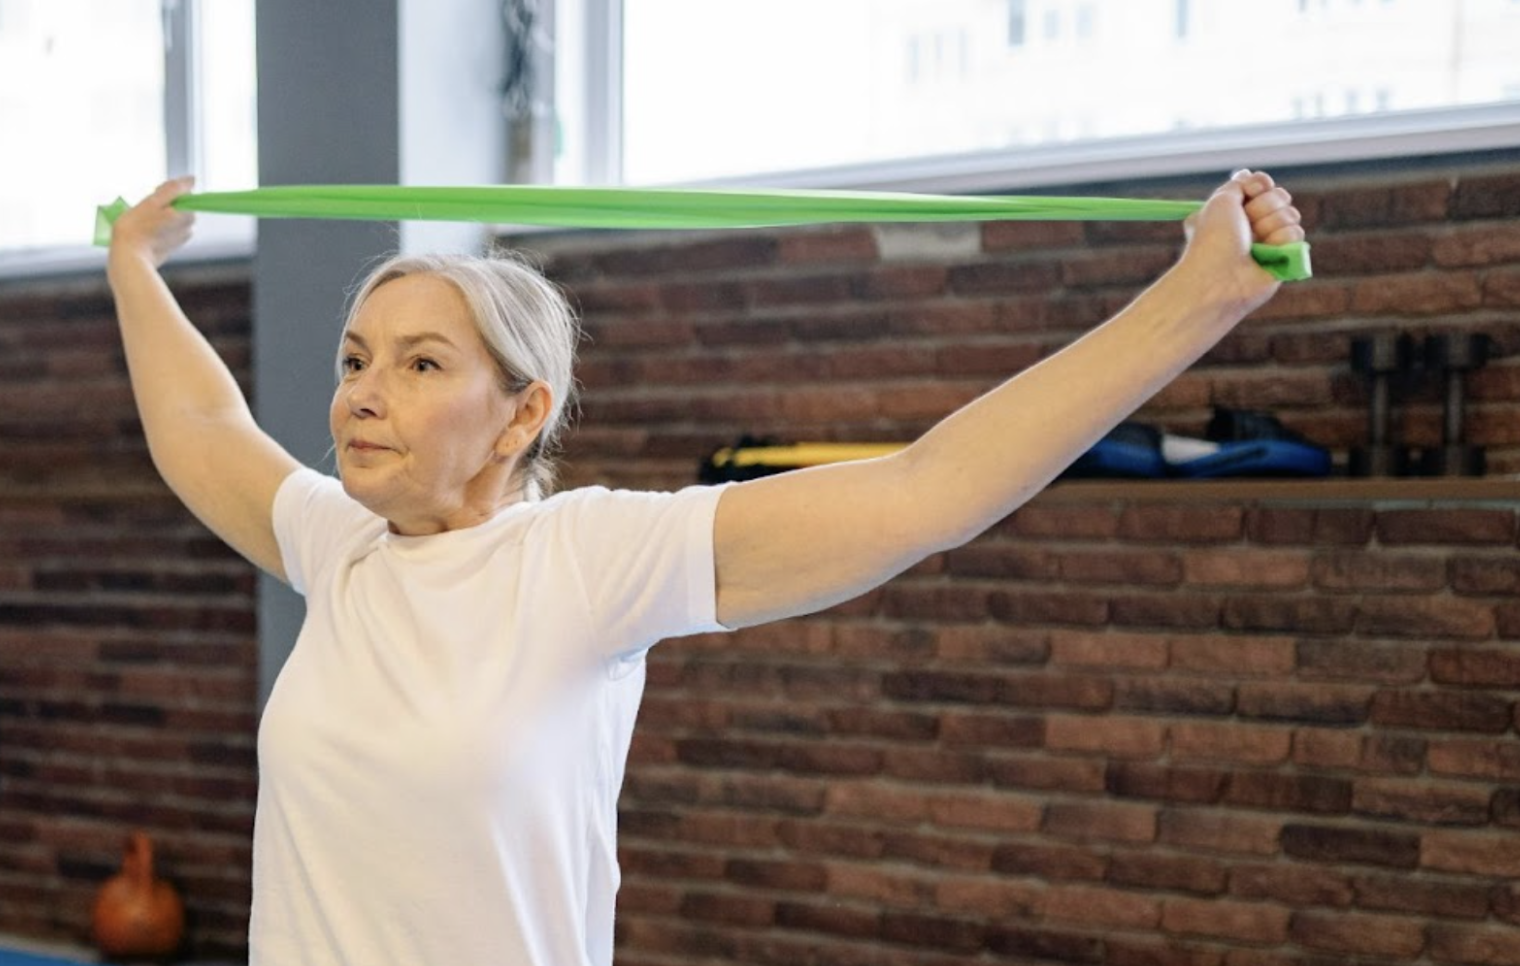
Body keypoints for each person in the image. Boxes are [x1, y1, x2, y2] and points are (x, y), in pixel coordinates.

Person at [104, 171, 1304, 965]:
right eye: (357, 357)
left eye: (420, 365)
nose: (362, 391)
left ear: (521, 416)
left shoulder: (584, 558)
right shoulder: (342, 545)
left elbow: (923, 492)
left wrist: (1196, 300)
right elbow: (202, 431)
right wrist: (132, 262)